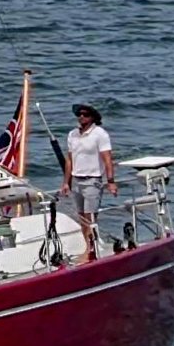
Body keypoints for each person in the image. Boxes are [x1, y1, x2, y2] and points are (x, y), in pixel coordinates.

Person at [64, 102, 116, 262]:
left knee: (90, 216)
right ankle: (88, 246)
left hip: (92, 180)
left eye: (85, 115)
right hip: (77, 180)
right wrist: (66, 182)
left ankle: (90, 250)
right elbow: (69, 160)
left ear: (92, 117)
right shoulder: (72, 134)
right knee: (82, 218)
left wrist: (111, 181)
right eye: (79, 114)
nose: (81, 117)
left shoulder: (100, 134)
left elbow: (107, 159)